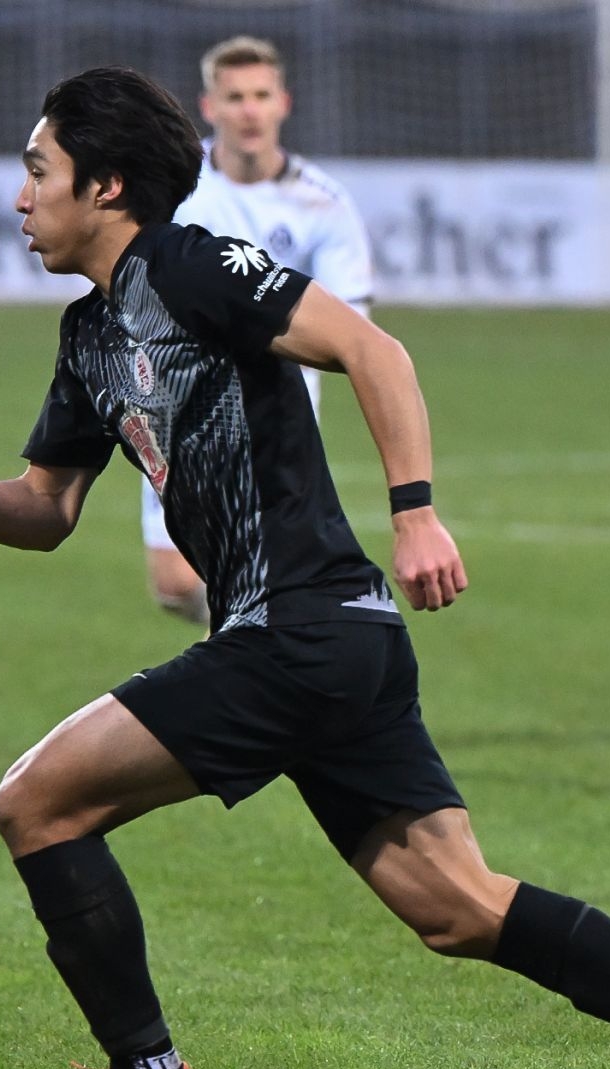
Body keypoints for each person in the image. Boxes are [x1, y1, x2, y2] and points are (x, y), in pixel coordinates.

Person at [0, 67, 610, 1069]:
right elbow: (47, 509)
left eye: (37, 170)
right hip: (334, 640)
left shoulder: (193, 265)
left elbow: (374, 350)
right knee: (457, 907)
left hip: (294, 632)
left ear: (107, 185)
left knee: (35, 804)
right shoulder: (91, 335)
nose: (20, 196)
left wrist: (416, 513)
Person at [143, 35, 375, 627]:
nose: (250, 110)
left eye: (261, 96)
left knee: (248, 583)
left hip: (275, 420)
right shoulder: (173, 186)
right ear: (209, 106)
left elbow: (353, 327)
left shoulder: (323, 204)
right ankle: (264, 645)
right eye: (235, 97)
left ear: (283, 104)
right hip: (176, 409)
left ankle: (269, 657)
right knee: (175, 585)